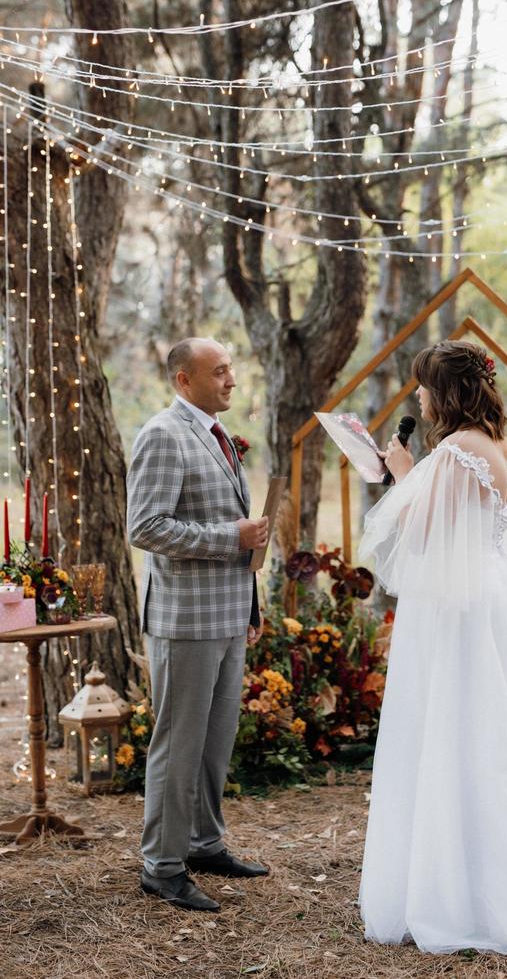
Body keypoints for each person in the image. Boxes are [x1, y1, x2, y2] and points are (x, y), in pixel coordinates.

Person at [358, 340, 507, 953]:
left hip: (453, 606)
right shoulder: (502, 448)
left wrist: (404, 474)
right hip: (491, 594)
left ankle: (464, 896)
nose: (418, 398)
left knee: (454, 731)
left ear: (445, 392)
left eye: (423, 387)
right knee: (495, 732)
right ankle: (499, 879)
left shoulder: (458, 450)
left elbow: (422, 531)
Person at [127, 337, 269, 912]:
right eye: (220, 371)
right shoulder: (163, 435)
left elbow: (227, 522)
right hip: (185, 620)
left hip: (229, 616)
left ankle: (204, 844)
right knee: (178, 744)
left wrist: (252, 608)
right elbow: (146, 527)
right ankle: (161, 866)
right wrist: (227, 538)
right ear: (184, 380)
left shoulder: (213, 434)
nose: (232, 380)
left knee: (214, 743)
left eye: (232, 368)